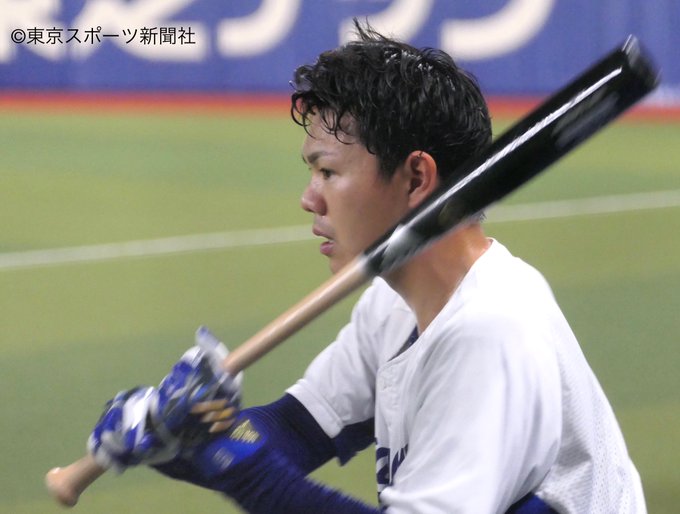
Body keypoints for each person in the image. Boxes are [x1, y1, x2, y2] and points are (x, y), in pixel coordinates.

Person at [89, 22, 647, 513]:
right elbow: (298, 429)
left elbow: (256, 461)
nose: (309, 198)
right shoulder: (394, 303)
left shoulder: (490, 330)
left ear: (416, 178)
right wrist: (185, 436)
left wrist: (233, 459)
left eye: (328, 172)